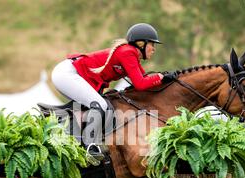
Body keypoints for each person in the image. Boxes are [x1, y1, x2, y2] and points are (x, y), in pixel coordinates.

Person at [51, 23, 176, 158]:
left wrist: (164, 79)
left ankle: (72, 138)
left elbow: (144, 79)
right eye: (152, 44)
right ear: (141, 44)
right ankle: (90, 147)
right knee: (101, 105)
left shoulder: (131, 54)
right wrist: (160, 77)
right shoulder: (127, 52)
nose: (154, 49)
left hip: (72, 74)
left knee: (99, 104)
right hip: (67, 74)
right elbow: (140, 84)